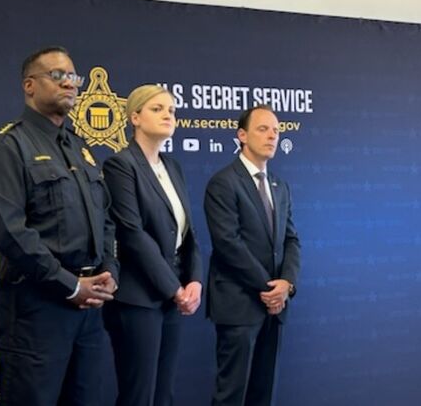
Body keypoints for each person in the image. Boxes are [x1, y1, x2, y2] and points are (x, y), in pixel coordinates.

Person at [0, 46, 118, 405]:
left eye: (73, 76)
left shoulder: (79, 147)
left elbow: (105, 219)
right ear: (29, 85)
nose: (69, 83)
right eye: (57, 75)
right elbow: (9, 231)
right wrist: (69, 285)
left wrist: (108, 271)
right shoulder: (8, 146)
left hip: (87, 311)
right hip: (35, 310)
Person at [102, 84, 202, 406]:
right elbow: (132, 234)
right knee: (139, 396)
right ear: (135, 117)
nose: (167, 115)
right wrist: (175, 289)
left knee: (163, 395)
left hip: (172, 297)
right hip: (138, 298)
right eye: (157, 109)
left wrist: (195, 280)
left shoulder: (173, 167)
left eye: (171, 110)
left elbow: (186, 232)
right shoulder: (120, 165)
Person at [204, 105, 301, 406]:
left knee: (263, 393)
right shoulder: (223, 182)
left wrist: (286, 284)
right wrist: (269, 289)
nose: (272, 135)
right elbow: (228, 244)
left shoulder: (280, 186)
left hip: (275, 305)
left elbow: (291, 240)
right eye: (263, 129)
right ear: (242, 135)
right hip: (239, 304)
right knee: (231, 395)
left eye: (276, 130)